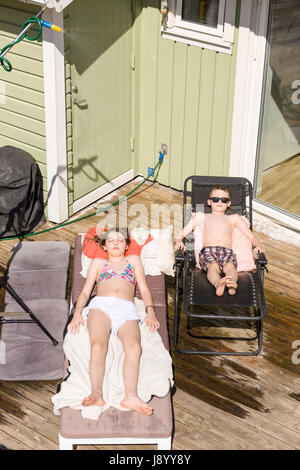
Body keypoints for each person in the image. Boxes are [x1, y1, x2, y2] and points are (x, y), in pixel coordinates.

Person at [67, 227, 160, 415]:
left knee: (134, 347)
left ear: (127, 245)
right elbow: (85, 292)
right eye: (110, 240)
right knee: (97, 347)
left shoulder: (133, 261)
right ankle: (96, 393)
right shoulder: (99, 262)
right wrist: (77, 313)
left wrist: (150, 312)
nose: (115, 243)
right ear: (104, 246)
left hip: (127, 308)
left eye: (120, 240)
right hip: (102, 306)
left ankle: (131, 395)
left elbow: (144, 289)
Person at [175, 185, 263, 296]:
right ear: (209, 202)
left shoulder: (234, 218)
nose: (219, 202)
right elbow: (182, 232)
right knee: (213, 267)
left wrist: (258, 245)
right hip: (208, 251)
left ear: (229, 203)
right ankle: (218, 284)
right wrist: (179, 240)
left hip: (227, 251)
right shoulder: (201, 217)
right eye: (215, 199)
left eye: (224, 200)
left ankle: (231, 284)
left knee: (230, 267)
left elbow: (251, 237)